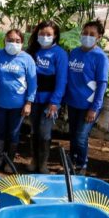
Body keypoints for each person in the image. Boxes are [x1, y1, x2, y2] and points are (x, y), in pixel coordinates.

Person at [64, 19, 109, 175]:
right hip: (73, 103)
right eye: (85, 33)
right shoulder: (74, 53)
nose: (87, 36)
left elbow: (102, 84)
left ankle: (82, 164)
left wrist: (94, 108)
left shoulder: (100, 57)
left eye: (92, 34)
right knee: (72, 135)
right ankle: (71, 163)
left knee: (81, 137)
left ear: (99, 37)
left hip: (89, 106)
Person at [0, 29, 37, 173]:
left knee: (14, 133)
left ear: (22, 43)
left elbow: (33, 83)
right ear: (4, 40)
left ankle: (9, 161)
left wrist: (29, 103)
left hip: (18, 106)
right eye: (10, 40)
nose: (13, 43)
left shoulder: (27, 59)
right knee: (0, 131)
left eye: (17, 41)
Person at [26, 21, 68, 173]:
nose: (45, 37)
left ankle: (43, 163)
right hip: (33, 99)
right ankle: (34, 159)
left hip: (49, 101)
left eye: (48, 34)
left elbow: (62, 80)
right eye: (42, 34)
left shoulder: (60, 54)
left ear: (55, 36)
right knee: (34, 130)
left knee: (45, 132)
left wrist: (55, 102)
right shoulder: (32, 51)